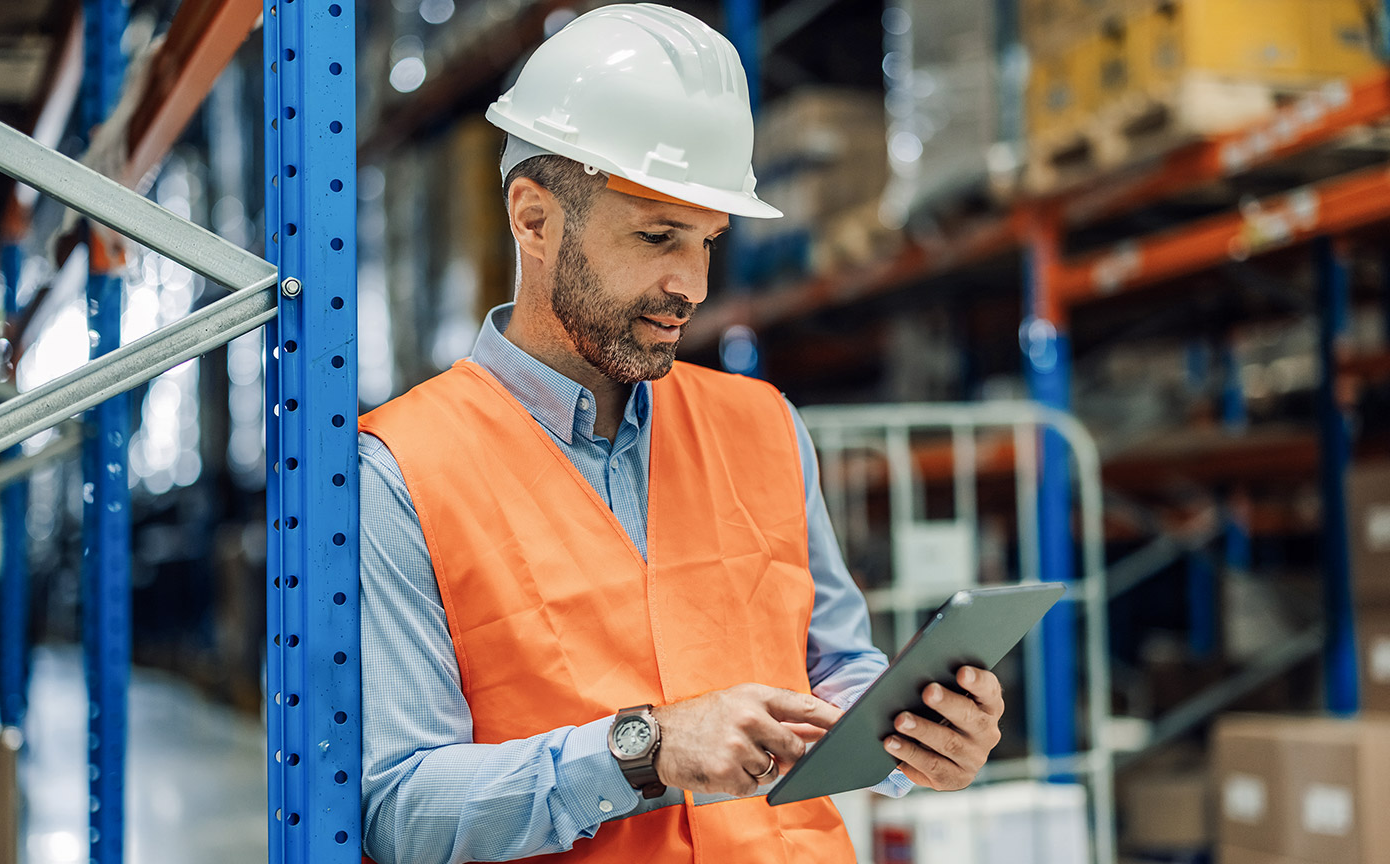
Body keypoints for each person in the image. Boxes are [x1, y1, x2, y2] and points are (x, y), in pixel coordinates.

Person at [356, 5, 1004, 862]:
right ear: (535, 219)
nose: (690, 285)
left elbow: (837, 668)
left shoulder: (763, 425)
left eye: (707, 240)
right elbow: (401, 809)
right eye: (657, 236)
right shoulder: (403, 471)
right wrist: (644, 750)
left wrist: (909, 734)